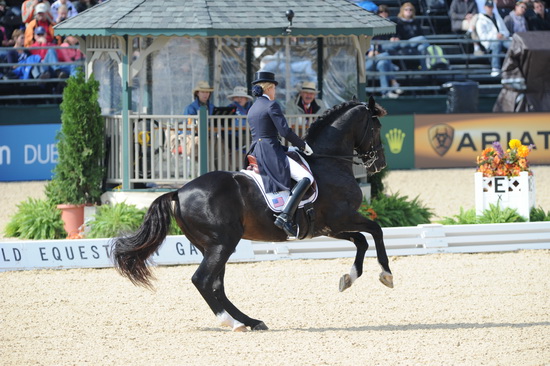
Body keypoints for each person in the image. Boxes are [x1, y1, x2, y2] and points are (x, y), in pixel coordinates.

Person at [247, 71, 314, 237]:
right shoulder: (271, 105)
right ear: (269, 88)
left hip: (258, 149)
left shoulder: (253, 108)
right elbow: (285, 132)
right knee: (307, 178)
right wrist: (303, 145)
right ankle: (285, 216)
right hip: (270, 152)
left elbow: (265, 135)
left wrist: (288, 149)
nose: (275, 92)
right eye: (274, 88)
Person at [365, 5, 403, 98]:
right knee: (385, 55)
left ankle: (385, 93)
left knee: (383, 64)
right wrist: (369, 52)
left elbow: (378, 51)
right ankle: (394, 82)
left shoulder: (377, 37)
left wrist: (375, 53)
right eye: (381, 12)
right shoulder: (362, 39)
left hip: (377, 60)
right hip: (364, 64)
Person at [389, 2, 431, 70]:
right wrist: (395, 38)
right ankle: (431, 58)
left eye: (410, 10)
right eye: (406, 9)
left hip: (415, 43)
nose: (408, 11)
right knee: (422, 39)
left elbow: (420, 33)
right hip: (403, 43)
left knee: (422, 48)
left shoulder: (415, 22)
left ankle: (425, 70)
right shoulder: (398, 22)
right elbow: (395, 34)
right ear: (402, 11)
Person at [476, 0, 511, 76]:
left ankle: (512, 66)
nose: (490, 8)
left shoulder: (497, 17)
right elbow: (482, 36)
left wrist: (502, 34)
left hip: (502, 39)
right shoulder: (480, 20)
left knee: (512, 45)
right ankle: (495, 68)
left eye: (491, 7)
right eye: (488, 7)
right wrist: (495, 36)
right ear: (485, 7)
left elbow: (506, 31)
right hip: (489, 42)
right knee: (496, 44)